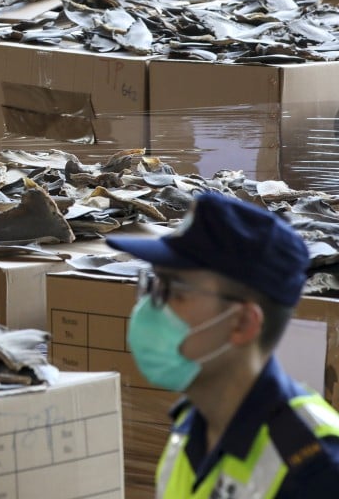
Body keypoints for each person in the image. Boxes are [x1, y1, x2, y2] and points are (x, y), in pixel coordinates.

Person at [107, 190, 339, 498]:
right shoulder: (192, 423)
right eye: (152, 284)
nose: (149, 307)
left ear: (242, 323)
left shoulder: (317, 472)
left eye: (174, 291)